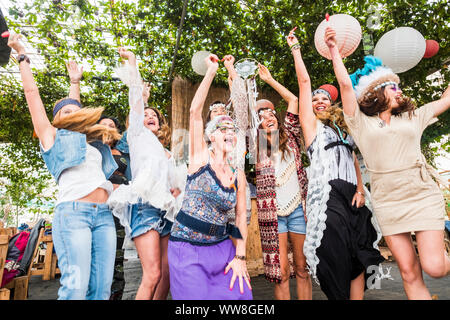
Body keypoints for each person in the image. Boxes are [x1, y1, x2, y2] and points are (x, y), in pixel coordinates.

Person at [325, 25, 450, 299]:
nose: (399, 91)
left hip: (421, 194)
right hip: (388, 201)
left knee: (436, 267)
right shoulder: (360, 123)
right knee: (408, 271)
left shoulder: (413, 116)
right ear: (377, 92)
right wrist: (334, 50)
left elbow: (447, 99)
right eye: (394, 86)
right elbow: (345, 85)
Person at [8, 33, 120, 300]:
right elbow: (31, 94)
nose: (72, 113)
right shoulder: (52, 137)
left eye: (75, 111)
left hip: (103, 217)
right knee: (75, 289)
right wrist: (22, 55)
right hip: (74, 215)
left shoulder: (90, 143)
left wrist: (74, 83)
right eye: (64, 112)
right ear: (55, 120)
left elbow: (76, 110)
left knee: (101, 290)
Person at [288, 27, 384, 300]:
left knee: (359, 250)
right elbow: (304, 83)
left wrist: (361, 190)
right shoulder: (311, 127)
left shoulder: (343, 127)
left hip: (353, 191)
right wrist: (296, 48)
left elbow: (353, 156)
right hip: (328, 191)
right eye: (315, 100)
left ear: (332, 105)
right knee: (336, 249)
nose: (318, 101)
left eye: (324, 99)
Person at [168, 53, 252, 300]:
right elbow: (195, 112)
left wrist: (241, 257)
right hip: (187, 249)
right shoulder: (199, 159)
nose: (229, 131)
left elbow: (239, 217)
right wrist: (211, 72)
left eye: (232, 129)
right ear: (210, 136)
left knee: (242, 297)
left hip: (223, 248)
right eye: (221, 128)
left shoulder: (238, 174)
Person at [107, 48, 185, 300]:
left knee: (166, 274)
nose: (149, 116)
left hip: (167, 210)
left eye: (154, 116)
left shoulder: (167, 152)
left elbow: (176, 183)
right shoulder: (137, 136)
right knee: (151, 275)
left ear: (160, 125)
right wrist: (133, 63)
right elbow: (136, 102)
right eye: (146, 114)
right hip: (144, 207)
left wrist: (177, 189)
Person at [249, 62, 311, 300]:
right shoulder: (254, 145)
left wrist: (269, 80)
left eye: (270, 111)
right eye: (260, 115)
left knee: (303, 268)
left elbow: (294, 100)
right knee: (281, 272)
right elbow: (243, 119)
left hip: (298, 210)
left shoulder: (291, 135)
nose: (267, 116)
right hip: (273, 215)